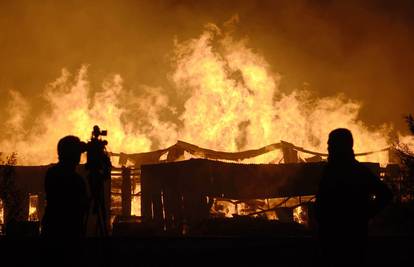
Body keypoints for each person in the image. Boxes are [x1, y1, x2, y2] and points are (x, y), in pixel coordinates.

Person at [315, 128, 393, 266]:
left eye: (331, 144)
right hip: (330, 238)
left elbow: (385, 195)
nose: (328, 148)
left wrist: (364, 215)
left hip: (350, 238)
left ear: (341, 146)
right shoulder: (331, 170)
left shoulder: (356, 171)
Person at [41, 135, 89, 237]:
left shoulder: (52, 173)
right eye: (77, 152)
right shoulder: (76, 180)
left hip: (52, 230)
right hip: (69, 231)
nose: (79, 155)